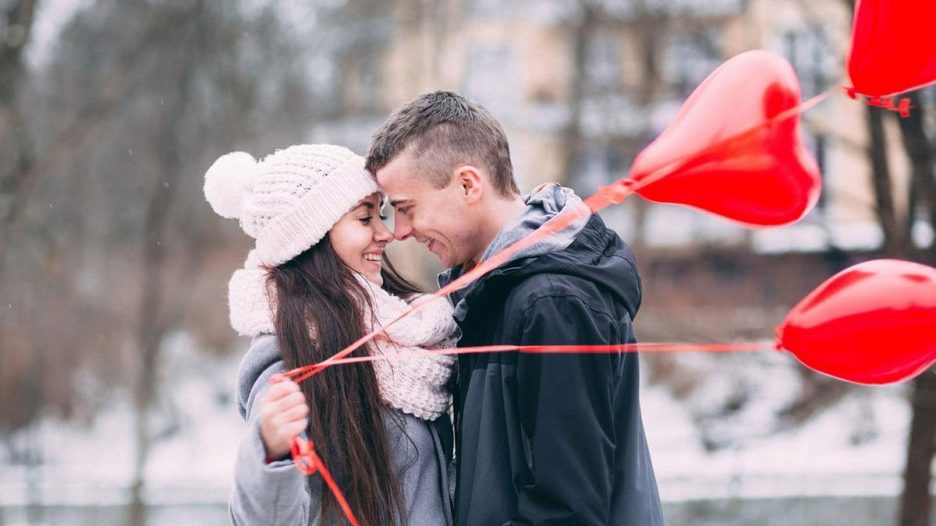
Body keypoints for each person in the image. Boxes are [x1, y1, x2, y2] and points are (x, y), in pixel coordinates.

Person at [365, 91, 664, 525]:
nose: (400, 231)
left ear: (468, 185)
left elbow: (568, 512)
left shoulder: (552, 303)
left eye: (406, 209)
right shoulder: (494, 294)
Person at [204, 144, 458, 525]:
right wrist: (272, 453)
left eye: (381, 214)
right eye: (365, 218)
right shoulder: (289, 355)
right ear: (311, 236)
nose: (386, 233)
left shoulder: (413, 336)